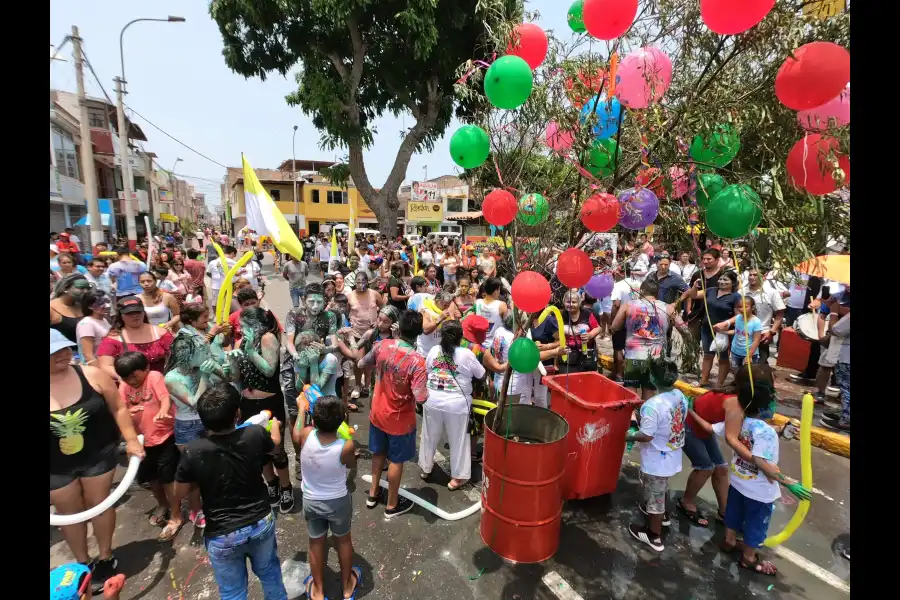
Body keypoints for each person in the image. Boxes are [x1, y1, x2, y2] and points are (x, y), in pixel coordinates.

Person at [691, 365, 812, 575]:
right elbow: (760, 460)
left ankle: (729, 541)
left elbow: (711, 428)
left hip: (738, 483)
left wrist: (690, 411)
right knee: (756, 527)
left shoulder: (740, 420)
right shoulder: (766, 433)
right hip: (759, 493)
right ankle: (748, 558)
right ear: (767, 402)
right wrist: (787, 482)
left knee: (733, 514)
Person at [173, 383, 288, 600]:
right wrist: (274, 427)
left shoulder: (194, 451)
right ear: (237, 413)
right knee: (270, 575)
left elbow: (179, 493)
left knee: (233, 592)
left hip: (222, 534)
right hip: (259, 523)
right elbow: (275, 447)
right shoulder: (254, 434)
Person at [50, 330, 144, 594]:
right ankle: (82, 563)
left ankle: (105, 556)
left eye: (65, 348)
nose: (63, 354)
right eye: (54, 352)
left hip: (97, 455)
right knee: (69, 515)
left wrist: (132, 440)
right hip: (55, 466)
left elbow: (119, 407)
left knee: (99, 505)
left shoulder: (91, 375)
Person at [359, 310, 428, 518]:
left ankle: (373, 493)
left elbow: (362, 364)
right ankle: (391, 504)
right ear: (418, 334)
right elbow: (421, 397)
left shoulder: (382, 345)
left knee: (379, 453)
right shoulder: (417, 361)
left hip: (377, 412)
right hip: (399, 419)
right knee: (396, 460)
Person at [293, 395, 360, 600]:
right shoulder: (345, 446)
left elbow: (295, 433)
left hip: (312, 501)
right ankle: (347, 586)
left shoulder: (305, 435)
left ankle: (318, 590)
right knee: (343, 541)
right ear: (342, 420)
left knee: (316, 542)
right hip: (338, 502)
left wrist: (302, 408)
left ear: (313, 419)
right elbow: (351, 466)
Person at [228, 307, 294, 514]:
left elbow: (269, 369)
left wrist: (249, 352)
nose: (240, 329)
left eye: (244, 325)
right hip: (247, 404)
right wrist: (231, 360)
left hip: (270, 403)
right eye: (239, 325)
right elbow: (235, 377)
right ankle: (271, 484)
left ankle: (286, 487)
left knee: (275, 449)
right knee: (257, 450)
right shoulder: (240, 342)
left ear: (258, 325)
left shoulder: (268, 339)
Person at [114, 351, 182, 541]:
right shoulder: (125, 386)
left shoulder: (154, 377)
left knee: (168, 479)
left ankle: (176, 515)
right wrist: (128, 410)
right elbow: (119, 408)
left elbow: (165, 398)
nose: (130, 381)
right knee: (152, 479)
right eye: (125, 377)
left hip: (164, 437)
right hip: (141, 442)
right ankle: (162, 505)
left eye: (134, 375)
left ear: (146, 369)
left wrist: (162, 410)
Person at [624, 358, 688, 552]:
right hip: (672, 454)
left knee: (656, 497)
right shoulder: (679, 395)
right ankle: (662, 517)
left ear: (651, 378)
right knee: (660, 491)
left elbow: (646, 435)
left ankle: (653, 535)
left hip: (656, 460)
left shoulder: (652, 405)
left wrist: (629, 436)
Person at [419, 320, 485, 490]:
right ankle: (457, 477)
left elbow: (427, 371)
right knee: (459, 440)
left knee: (429, 435)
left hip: (432, 400)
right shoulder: (467, 354)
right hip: (457, 404)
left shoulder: (434, 350)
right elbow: (481, 373)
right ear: (460, 338)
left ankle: (426, 469)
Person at [679, 382, 734, 528]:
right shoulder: (733, 402)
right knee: (705, 468)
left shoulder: (738, 400)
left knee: (721, 468)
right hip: (690, 426)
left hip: (703, 428)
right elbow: (730, 436)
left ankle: (725, 512)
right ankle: (686, 501)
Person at [610, 279, 675, 399]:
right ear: (657, 292)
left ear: (641, 291)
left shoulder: (628, 305)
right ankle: (646, 416)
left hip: (634, 356)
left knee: (630, 392)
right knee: (649, 391)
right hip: (656, 358)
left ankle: (633, 417)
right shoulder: (668, 308)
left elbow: (614, 326)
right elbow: (684, 329)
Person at [683, 268, 740, 387]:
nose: (722, 282)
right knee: (708, 355)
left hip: (723, 332)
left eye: (726, 280)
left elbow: (739, 315)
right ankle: (704, 379)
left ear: (733, 283)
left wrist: (727, 323)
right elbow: (693, 295)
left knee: (723, 358)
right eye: (721, 279)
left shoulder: (736, 297)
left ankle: (719, 384)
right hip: (706, 328)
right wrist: (694, 287)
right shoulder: (711, 290)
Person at [97, 297, 175, 380]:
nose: (135, 316)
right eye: (129, 313)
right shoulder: (112, 339)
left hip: (160, 382)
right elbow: (105, 365)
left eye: (138, 312)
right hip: (130, 385)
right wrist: (124, 378)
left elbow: (177, 356)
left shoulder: (161, 333)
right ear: (121, 315)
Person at [740, 268, 785, 365]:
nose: (752, 277)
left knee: (760, 365)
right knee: (742, 365)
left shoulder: (771, 293)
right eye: (750, 275)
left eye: (755, 275)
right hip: (742, 334)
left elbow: (780, 313)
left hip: (762, 335)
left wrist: (772, 332)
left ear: (763, 277)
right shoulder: (741, 292)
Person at [820, 294, 850, 431]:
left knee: (846, 388)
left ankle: (846, 419)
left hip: (846, 357)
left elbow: (836, 329)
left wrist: (833, 312)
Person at [557, 289, 602, 374]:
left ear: (579, 303)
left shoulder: (586, 314)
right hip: (567, 355)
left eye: (574, 302)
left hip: (585, 355)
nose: (570, 304)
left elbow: (598, 328)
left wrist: (590, 335)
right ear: (564, 302)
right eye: (568, 302)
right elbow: (555, 335)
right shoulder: (560, 315)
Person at [610, 264, 642, 381]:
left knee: (618, 348)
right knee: (632, 349)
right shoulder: (638, 285)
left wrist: (612, 323)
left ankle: (620, 375)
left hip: (622, 321)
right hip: (636, 322)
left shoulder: (618, 285)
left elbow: (616, 305)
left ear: (621, 273)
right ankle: (631, 375)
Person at [76, 290, 112, 366]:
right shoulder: (87, 324)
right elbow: (88, 355)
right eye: (101, 303)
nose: (107, 305)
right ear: (90, 306)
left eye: (108, 301)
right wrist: (100, 372)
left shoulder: (104, 320)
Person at [51, 274, 89, 344]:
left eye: (87, 288)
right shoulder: (51, 309)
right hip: (61, 353)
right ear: (66, 288)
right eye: (81, 288)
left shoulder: (83, 306)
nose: (85, 291)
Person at [728, 296, 762, 373]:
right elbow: (737, 331)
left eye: (745, 307)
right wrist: (723, 331)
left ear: (752, 308)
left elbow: (756, 341)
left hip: (748, 353)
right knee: (736, 372)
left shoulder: (756, 322)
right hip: (735, 352)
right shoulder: (738, 317)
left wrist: (749, 356)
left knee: (748, 374)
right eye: (740, 307)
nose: (742, 309)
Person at [475, 277, 508, 347]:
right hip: (496, 346)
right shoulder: (502, 305)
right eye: (499, 290)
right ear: (496, 290)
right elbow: (508, 325)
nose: (499, 292)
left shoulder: (477, 303)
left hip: (480, 345)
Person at [207, 245, 238, 314]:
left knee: (216, 302)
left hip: (217, 286)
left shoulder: (212, 262)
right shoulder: (231, 261)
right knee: (229, 301)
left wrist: (215, 279)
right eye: (234, 255)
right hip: (228, 286)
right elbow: (239, 270)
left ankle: (216, 316)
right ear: (232, 253)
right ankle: (227, 316)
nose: (234, 257)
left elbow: (208, 273)